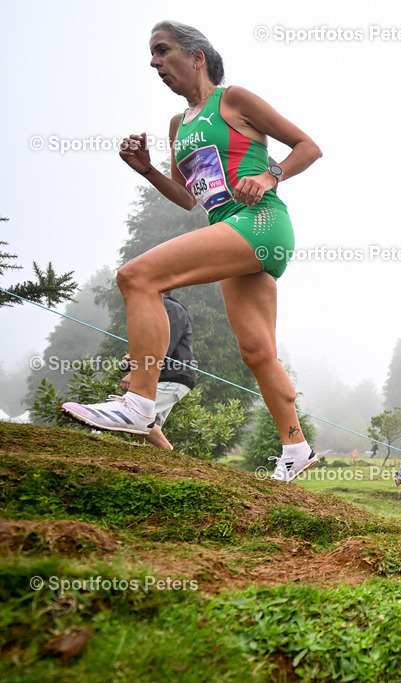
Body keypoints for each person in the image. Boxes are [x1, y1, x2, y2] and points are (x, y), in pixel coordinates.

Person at [61, 21, 322, 484]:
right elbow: (187, 198)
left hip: (260, 221)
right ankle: (296, 448)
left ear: (197, 56)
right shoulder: (177, 126)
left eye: (162, 51)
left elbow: (309, 146)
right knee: (258, 351)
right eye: (152, 54)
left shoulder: (233, 99)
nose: (154, 62)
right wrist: (147, 171)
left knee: (137, 277)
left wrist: (269, 175)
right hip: (229, 227)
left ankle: (139, 403)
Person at [118, 292, 197, 451]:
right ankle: (155, 466)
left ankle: (170, 455)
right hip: (162, 376)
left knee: (135, 413)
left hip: (173, 377)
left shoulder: (172, 309)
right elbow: (150, 347)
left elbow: (164, 347)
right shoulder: (158, 310)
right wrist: (134, 360)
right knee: (145, 428)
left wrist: (134, 372)